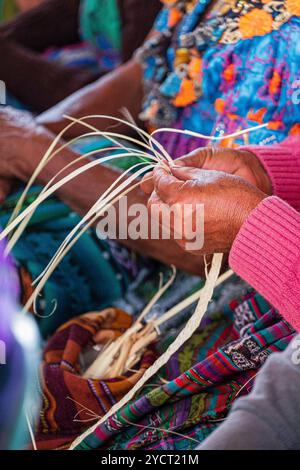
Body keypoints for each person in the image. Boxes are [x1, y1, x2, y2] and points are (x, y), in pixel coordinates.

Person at [0, 0, 161, 111]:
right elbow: (55, 19)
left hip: (119, 113)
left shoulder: (149, 6)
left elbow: (126, 100)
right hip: (93, 95)